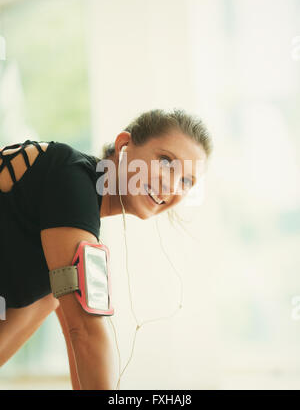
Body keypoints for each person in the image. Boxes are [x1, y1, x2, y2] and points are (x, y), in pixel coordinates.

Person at [0, 108, 213, 390]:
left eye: (187, 181)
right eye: (165, 161)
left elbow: (77, 343)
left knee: (58, 291)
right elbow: (85, 330)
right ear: (124, 145)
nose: (171, 185)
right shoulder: (69, 174)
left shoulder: (69, 232)